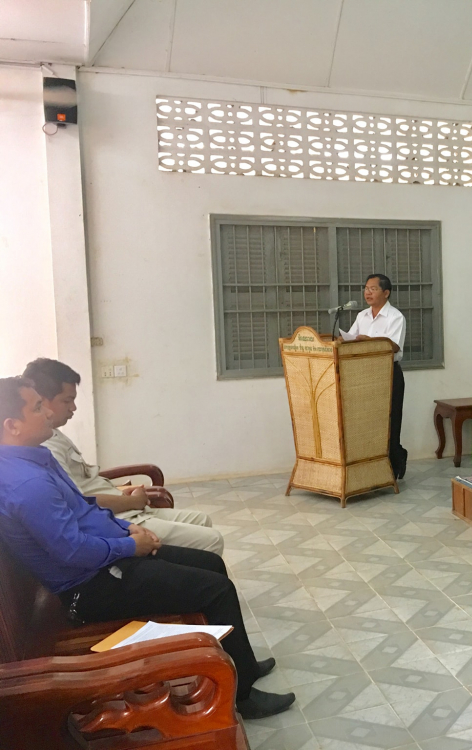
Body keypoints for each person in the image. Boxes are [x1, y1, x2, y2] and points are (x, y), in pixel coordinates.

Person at [0, 377, 294, 718]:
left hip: (104, 559)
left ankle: (242, 665)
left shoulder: (35, 460)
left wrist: (127, 527)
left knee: (211, 564)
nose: (48, 412)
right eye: (38, 407)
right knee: (217, 590)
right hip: (90, 587)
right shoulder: (27, 484)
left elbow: (82, 509)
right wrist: (129, 546)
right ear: (12, 425)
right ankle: (241, 697)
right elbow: (72, 551)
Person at [22, 359, 224, 554]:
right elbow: (79, 502)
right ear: (42, 400)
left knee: (202, 520)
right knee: (212, 540)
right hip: (114, 518)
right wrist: (132, 502)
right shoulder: (46, 445)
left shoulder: (54, 434)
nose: (73, 407)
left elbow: (85, 484)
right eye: (67, 400)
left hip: (122, 507)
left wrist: (123, 496)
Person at [343, 273, 408, 479]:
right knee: (369, 421)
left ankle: (395, 463)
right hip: (363, 375)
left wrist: (369, 340)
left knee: (390, 420)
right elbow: (351, 339)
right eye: (366, 288)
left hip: (388, 373)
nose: (367, 292)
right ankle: (371, 466)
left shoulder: (395, 317)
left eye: (373, 289)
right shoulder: (362, 315)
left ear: (386, 293)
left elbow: (394, 346)